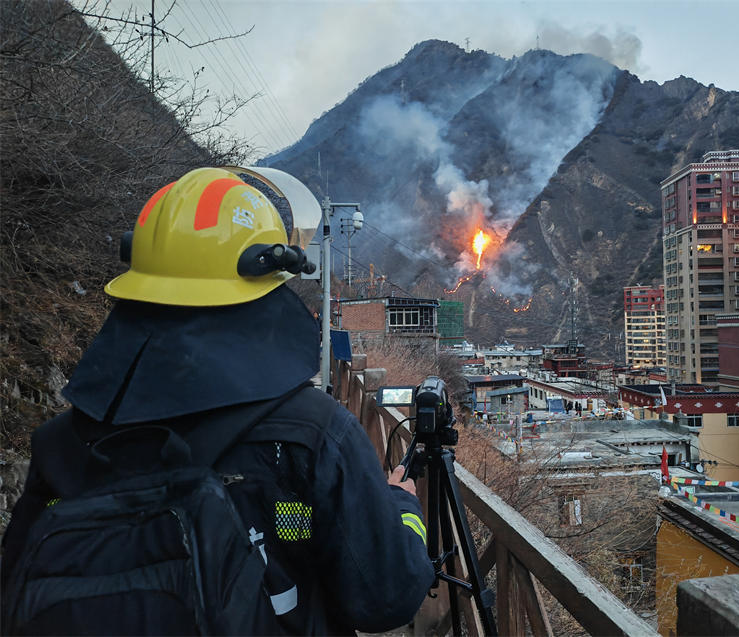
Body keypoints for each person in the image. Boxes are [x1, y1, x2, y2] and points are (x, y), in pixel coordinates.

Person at [1, 167, 434, 635]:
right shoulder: (313, 434)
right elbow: (386, 599)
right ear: (269, 276)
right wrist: (402, 508)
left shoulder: (61, 444)